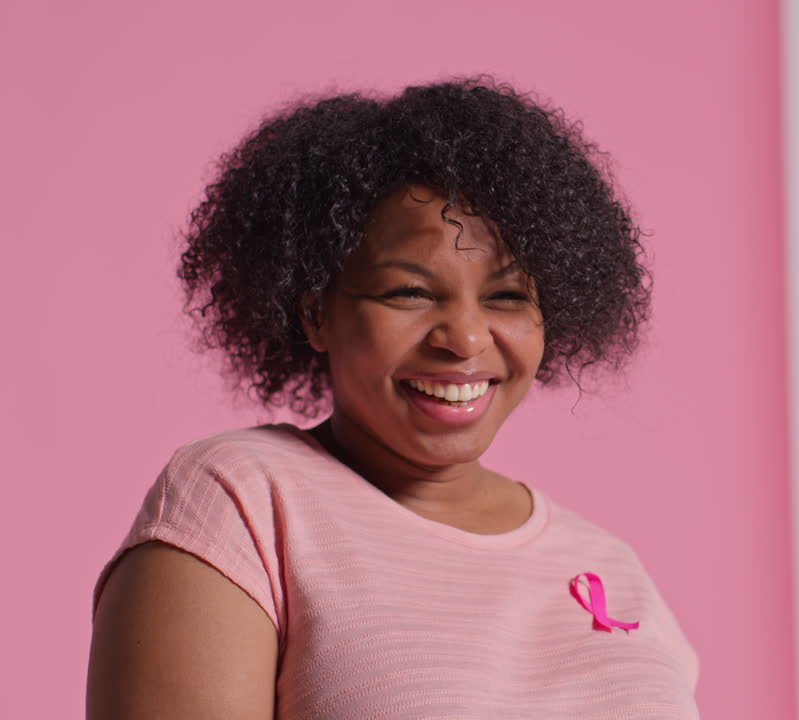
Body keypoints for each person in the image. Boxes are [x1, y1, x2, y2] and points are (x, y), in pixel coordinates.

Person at [86, 78, 700, 719]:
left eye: (508, 297)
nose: (465, 338)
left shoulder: (608, 564)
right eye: (410, 292)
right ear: (317, 314)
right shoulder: (243, 502)